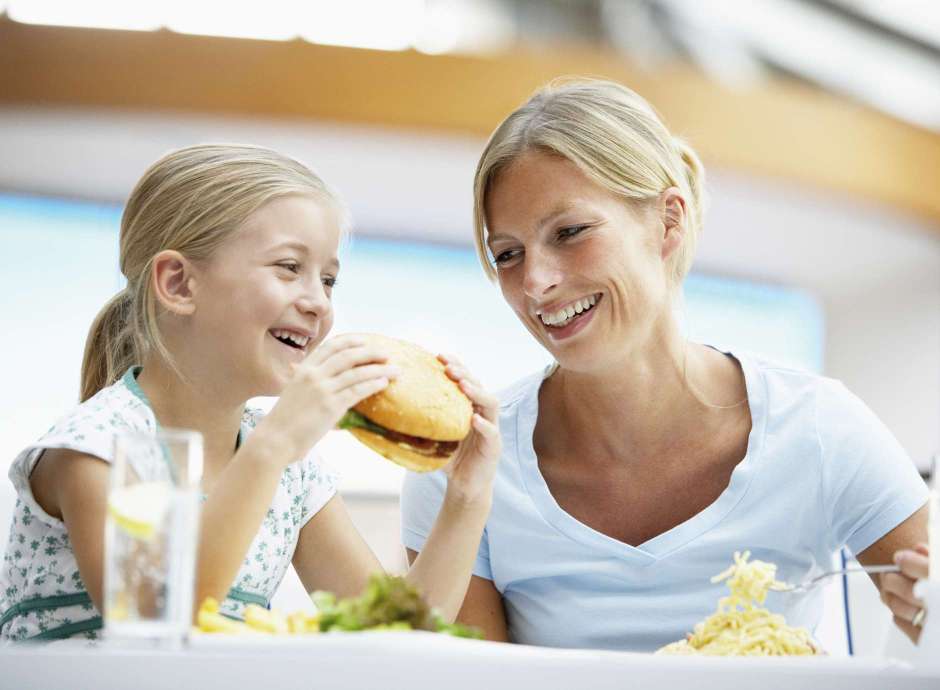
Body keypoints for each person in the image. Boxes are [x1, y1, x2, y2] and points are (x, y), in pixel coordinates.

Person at [401, 78, 929, 652]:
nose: (536, 282)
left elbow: (930, 611)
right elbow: (465, 680)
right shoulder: (466, 463)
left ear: (668, 221)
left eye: (570, 232)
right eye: (508, 254)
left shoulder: (820, 425)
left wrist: (927, 616)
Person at [0, 144, 500, 642]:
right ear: (178, 283)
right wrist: (275, 446)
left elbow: (393, 636)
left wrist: (466, 496)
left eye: (328, 280)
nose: (318, 304)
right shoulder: (100, 449)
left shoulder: (292, 473)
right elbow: (157, 621)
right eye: (288, 268)